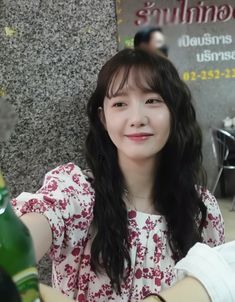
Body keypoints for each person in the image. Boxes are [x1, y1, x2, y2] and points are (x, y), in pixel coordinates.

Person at [12, 48, 225, 301]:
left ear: (174, 112)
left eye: (153, 100)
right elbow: (13, 253)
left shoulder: (202, 211)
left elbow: (217, 287)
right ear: (103, 118)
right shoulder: (75, 193)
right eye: (120, 104)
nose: (137, 118)